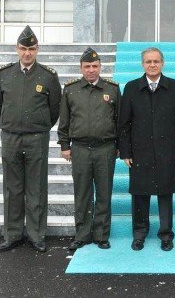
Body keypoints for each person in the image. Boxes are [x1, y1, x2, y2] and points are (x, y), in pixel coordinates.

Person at [0, 25, 62, 253]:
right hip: (11, 138)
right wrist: (11, 124)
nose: (27, 53)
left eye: (31, 49)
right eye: (23, 48)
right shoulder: (4, 74)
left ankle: (36, 234)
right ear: (17, 49)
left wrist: (38, 126)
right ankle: (12, 234)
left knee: (36, 187)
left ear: (38, 49)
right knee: (12, 188)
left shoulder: (48, 76)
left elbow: (55, 110)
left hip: (36, 139)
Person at [118, 47, 175, 252]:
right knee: (140, 195)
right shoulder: (132, 88)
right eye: (148, 61)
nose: (152, 65)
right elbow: (124, 124)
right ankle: (139, 234)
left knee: (165, 194)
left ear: (162, 63)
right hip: (139, 152)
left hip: (168, 151)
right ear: (142, 64)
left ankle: (166, 235)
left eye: (156, 61)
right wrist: (125, 152)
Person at [57, 47, 121, 251]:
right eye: (87, 66)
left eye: (95, 66)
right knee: (82, 193)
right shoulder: (71, 89)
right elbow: (64, 121)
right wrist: (65, 145)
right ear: (81, 68)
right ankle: (82, 234)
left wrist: (120, 147)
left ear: (100, 67)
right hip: (80, 149)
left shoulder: (111, 89)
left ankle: (102, 235)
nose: (91, 70)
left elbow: (119, 121)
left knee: (103, 193)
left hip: (105, 149)